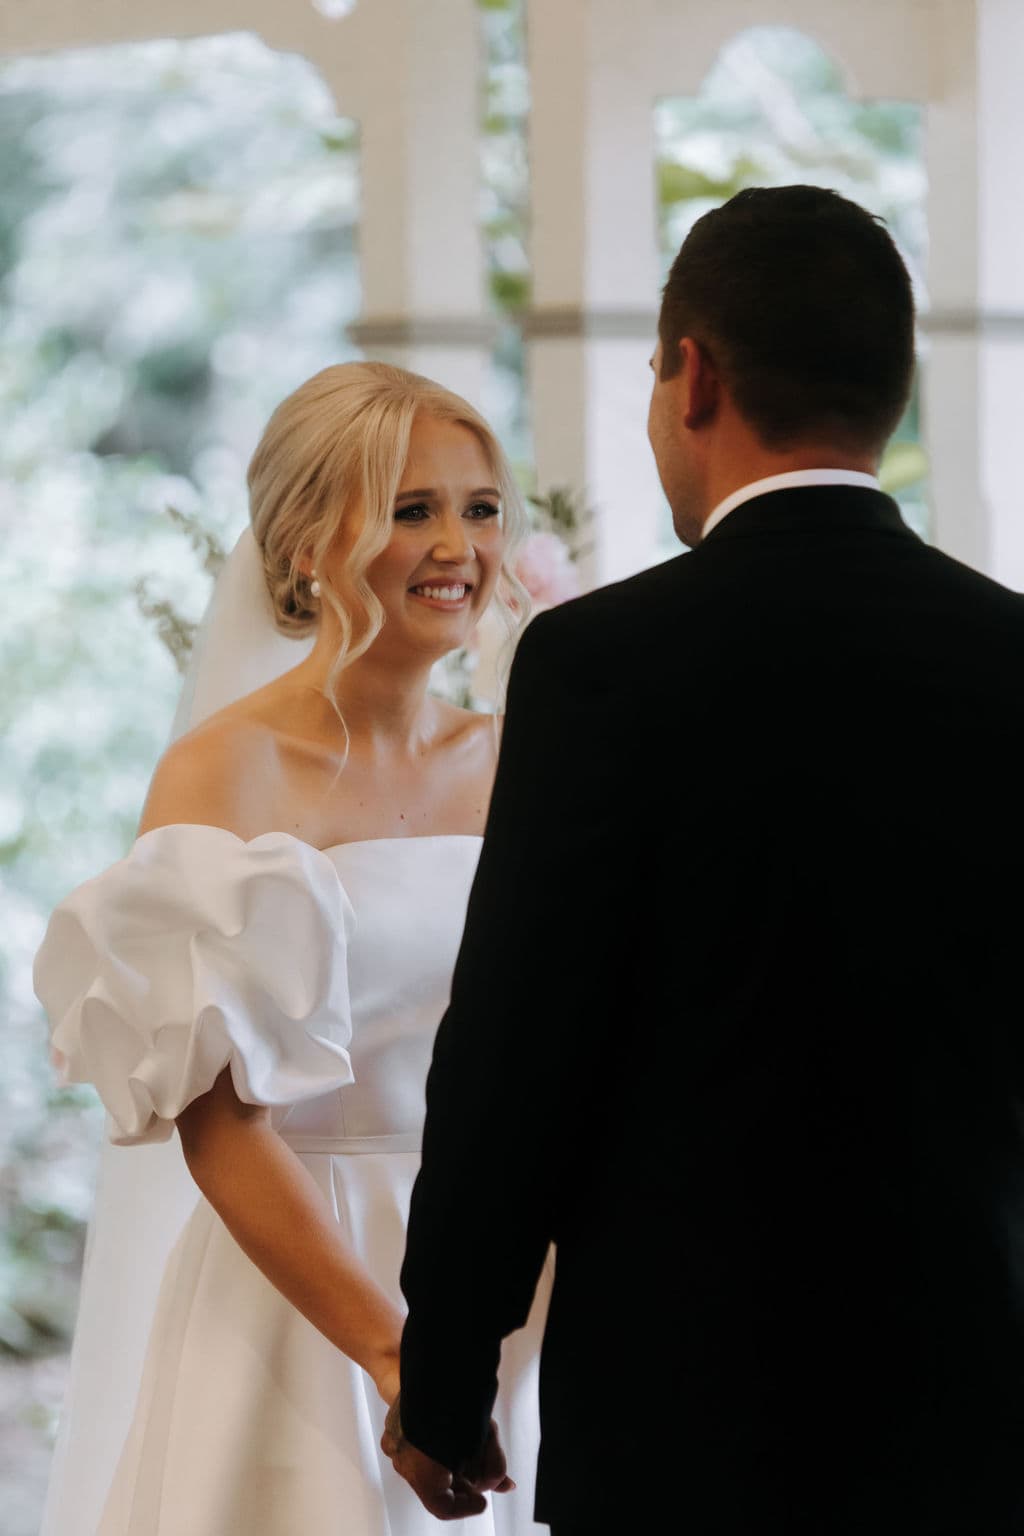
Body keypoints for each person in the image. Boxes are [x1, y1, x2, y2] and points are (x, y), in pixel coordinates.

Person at [389, 186, 1024, 1535]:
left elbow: (517, 1051)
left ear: (694, 377)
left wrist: (445, 1374)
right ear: (894, 393)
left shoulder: (598, 667)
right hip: (978, 1403)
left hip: (685, 1417)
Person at [33, 361, 551, 1536]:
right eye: (412, 508)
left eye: (477, 507)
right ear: (308, 541)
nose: (458, 544)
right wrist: (399, 1357)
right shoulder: (227, 770)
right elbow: (218, 1121)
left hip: (515, 1279)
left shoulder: (527, 758)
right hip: (303, 1292)